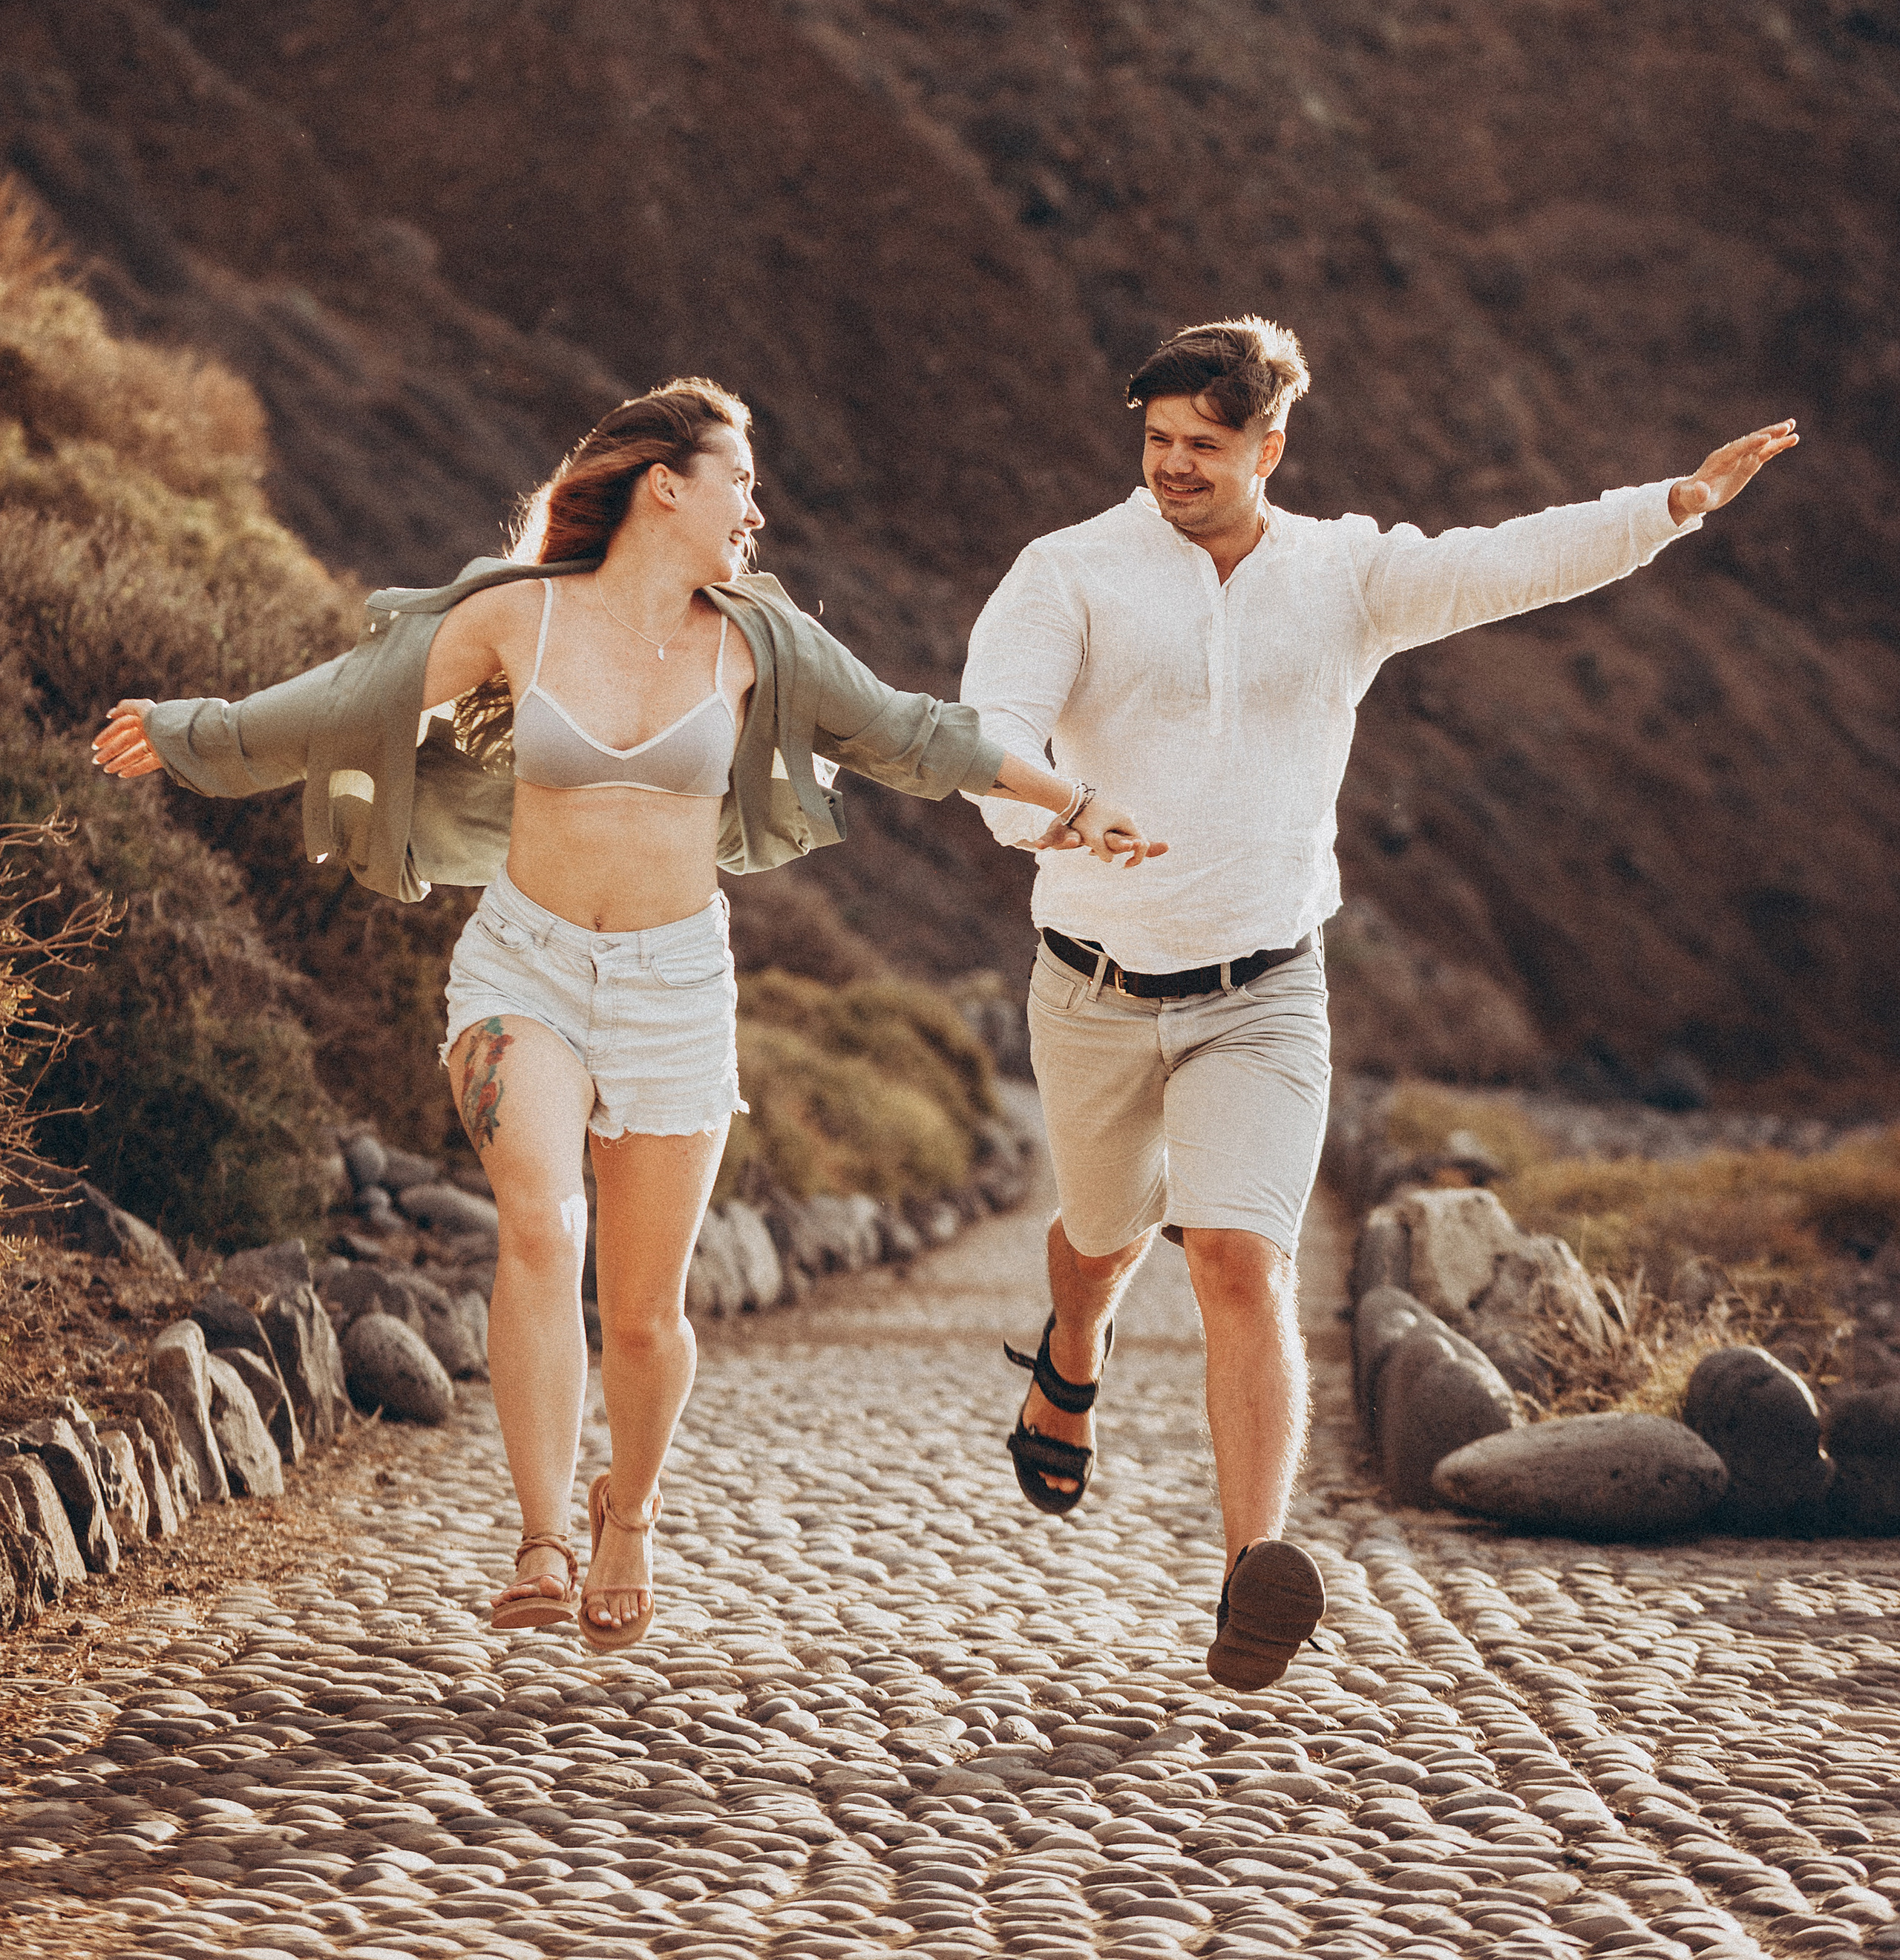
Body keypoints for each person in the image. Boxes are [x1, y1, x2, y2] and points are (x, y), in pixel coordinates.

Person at [94, 378, 1158, 1648]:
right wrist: (193, 731)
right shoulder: (516, 616)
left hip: (675, 990)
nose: (754, 511)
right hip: (524, 968)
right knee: (541, 1229)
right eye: (738, 483)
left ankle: (630, 1510)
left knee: (648, 1320)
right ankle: (543, 1538)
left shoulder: (759, 643)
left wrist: (1068, 802)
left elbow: (912, 735)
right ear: (665, 485)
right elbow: (349, 699)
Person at [962, 315, 1797, 1691]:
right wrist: (1059, 809)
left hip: (1265, 989)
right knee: (1102, 1242)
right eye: (1158, 440)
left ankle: (1252, 1571)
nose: (1174, 465)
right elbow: (989, 728)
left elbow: (1502, 563)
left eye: (1206, 444)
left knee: (1239, 1259)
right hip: (1095, 986)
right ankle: (1072, 1353)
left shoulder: (1343, 574)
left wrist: (1672, 505)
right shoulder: (1069, 571)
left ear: (1270, 447)